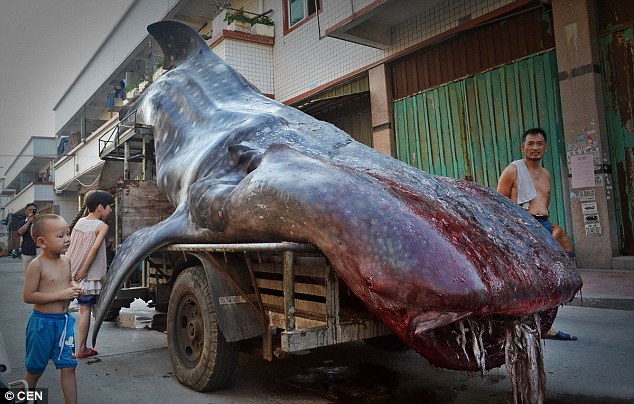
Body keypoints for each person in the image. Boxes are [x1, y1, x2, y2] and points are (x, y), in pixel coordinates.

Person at [497, 127, 577, 341]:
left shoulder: (546, 174)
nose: (535, 147)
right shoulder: (513, 170)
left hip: (543, 226)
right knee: (528, 280)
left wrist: (551, 230)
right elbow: (499, 204)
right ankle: (519, 324)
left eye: (539, 143)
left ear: (546, 147)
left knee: (552, 279)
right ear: (523, 147)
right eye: (530, 143)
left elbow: (544, 205)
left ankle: (546, 325)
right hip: (522, 227)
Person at [23, 214, 83, 404]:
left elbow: (68, 280)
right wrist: (62, 294)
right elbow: (29, 296)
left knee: (69, 367)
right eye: (60, 236)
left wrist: (74, 286)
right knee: (34, 371)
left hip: (64, 324)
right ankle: (21, 399)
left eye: (68, 233)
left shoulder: (66, 261)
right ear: (42, 242)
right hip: (42, 324)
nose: (67, 238)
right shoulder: (37, 265)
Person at [65, 190, 114, 359]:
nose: (112, 210)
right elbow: (93, 248)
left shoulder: (79, 222)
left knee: (61, 310)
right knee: (85, 310)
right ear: (101, 207)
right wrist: (85, 270)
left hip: (70, 270)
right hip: (87, 275)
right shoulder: (102, 227)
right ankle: (82, 349)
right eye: (110, 207)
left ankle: (58, 346)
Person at [17, 203, 39, 275]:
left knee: (39, 274)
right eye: (29, 210)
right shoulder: (23, 222)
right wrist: (29, 221)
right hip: (27, 252)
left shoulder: (39, 221)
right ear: (26, 211)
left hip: (39, 251)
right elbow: (20, 232)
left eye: (33, 210)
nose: (31, 211)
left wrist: (37, 220)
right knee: (28, 274)